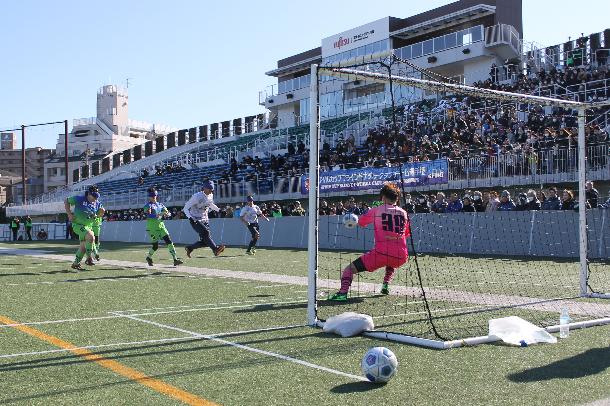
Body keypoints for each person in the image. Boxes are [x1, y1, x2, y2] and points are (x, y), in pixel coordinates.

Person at [329, 183, 410, 301]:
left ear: (383, 197)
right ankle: (386, 285)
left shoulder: (377, 210)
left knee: (349, 269)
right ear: (397, 198)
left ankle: (342, 293)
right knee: (391, 262)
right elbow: (407, 233)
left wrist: (355, 219)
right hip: (401, 256)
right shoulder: (404, 213)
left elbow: (361, 222)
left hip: (381, 254)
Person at [64, 185, 105, 269]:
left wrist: (101, 213)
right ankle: (89, 258)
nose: (95, 199)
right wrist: (69, 214)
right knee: (91, 237)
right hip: (78, 225)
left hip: (88, 226)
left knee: (83, 247)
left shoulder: (97, 203)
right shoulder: (80, 199)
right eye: (94, 196)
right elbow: (66, 201)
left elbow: (98, 215)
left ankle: (76, 263)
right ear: (89, 194)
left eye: (97, 196)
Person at [183, 180, 225, 258]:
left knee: (205, 242)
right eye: (209, 188)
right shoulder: (196, 196)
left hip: (205, 219)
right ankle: (215, 249)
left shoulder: (210, 195)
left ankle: (189, 248)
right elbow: (185, 208)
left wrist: (219, 210)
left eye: (211, 189)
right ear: (204, 188)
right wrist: (190, 218)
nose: (210, 190)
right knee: (206, 233)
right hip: (195, 219)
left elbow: (210, 204)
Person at [144, 187, 183, 266]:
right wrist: (160, 214)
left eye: (154, 195)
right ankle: (148, 257)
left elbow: (167, 212)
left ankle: (175, 259)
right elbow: (149, 216)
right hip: (152, 227)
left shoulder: (160, 204)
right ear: (149, 196)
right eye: (152, 196)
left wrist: (167, 213)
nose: (154, 197)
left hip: (161, 225)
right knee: (155, 246)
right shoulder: (148, 206)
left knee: (169, 241)